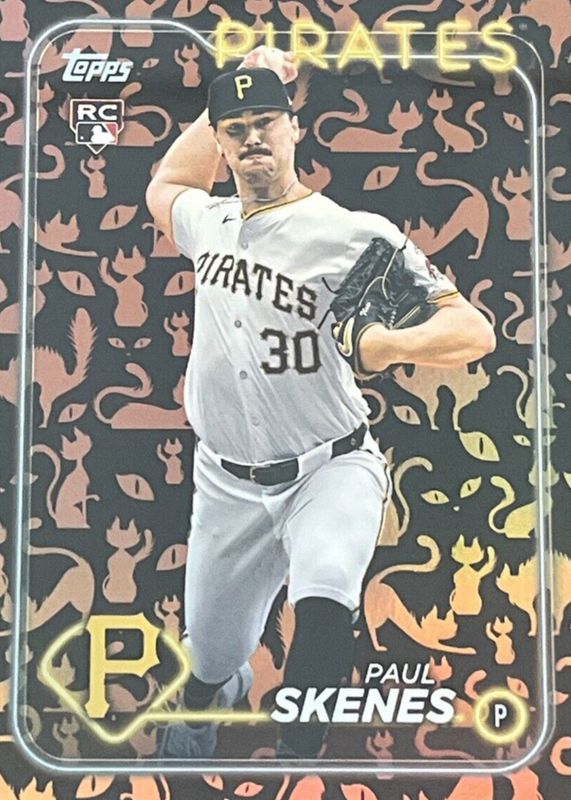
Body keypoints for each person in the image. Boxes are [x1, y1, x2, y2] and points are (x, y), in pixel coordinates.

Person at [146, 46, 495, 760]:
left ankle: (299, 759)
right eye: (236, 127)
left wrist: (388, 344)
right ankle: (215, 691)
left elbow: (474, 331)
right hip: (227, 483)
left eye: (266, 121)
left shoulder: (351, 233)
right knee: (210, 657)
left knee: (325, 596)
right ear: (219, 142)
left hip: (329, 468)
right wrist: (234, 85)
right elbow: (169, 181)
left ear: (294, 128)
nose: (253, 138)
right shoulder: (207, 222)